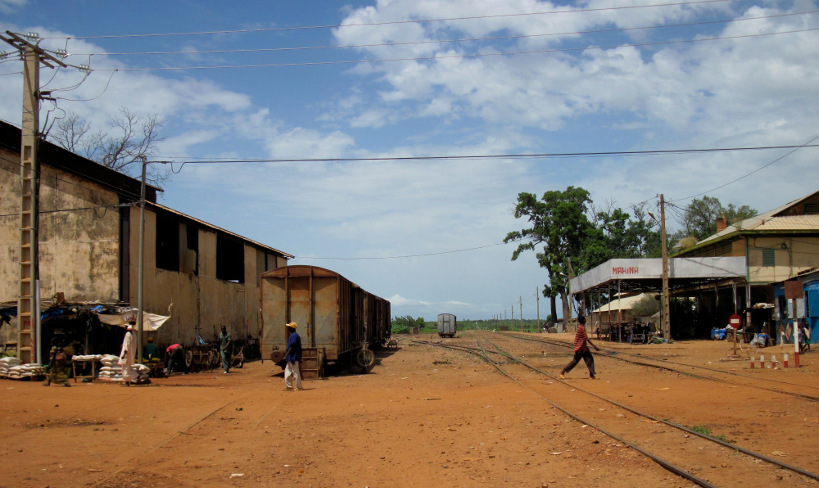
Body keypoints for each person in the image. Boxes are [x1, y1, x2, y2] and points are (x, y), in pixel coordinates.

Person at [559, 315, 600, 380]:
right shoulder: (581, 328)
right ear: (584, 321)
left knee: (590, 360)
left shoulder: (580, 327)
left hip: (584, 348)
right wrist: (594, 346)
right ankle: (562, 372)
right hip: (580, 348)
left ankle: (592, 375)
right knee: (575, 362)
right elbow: (586, 338)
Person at [284, 322, 303, 391]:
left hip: (293, 357)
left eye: (289, 327)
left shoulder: (294, 336)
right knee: (288, 370)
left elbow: (292, 346)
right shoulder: (294, 335)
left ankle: (298, 386)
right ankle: (289, 386)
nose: (288, 328)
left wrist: (286, 355)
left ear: (291, 328)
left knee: (295, 371)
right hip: (292, 357)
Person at [119, 322, 136, 386]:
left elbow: (126, 345)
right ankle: (129, 380)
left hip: (127, 354)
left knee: (125, 368)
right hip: (131, 354)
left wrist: (124, 354)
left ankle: (130, 380)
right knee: (128, 368)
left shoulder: (128, 334)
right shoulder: (134, 334)